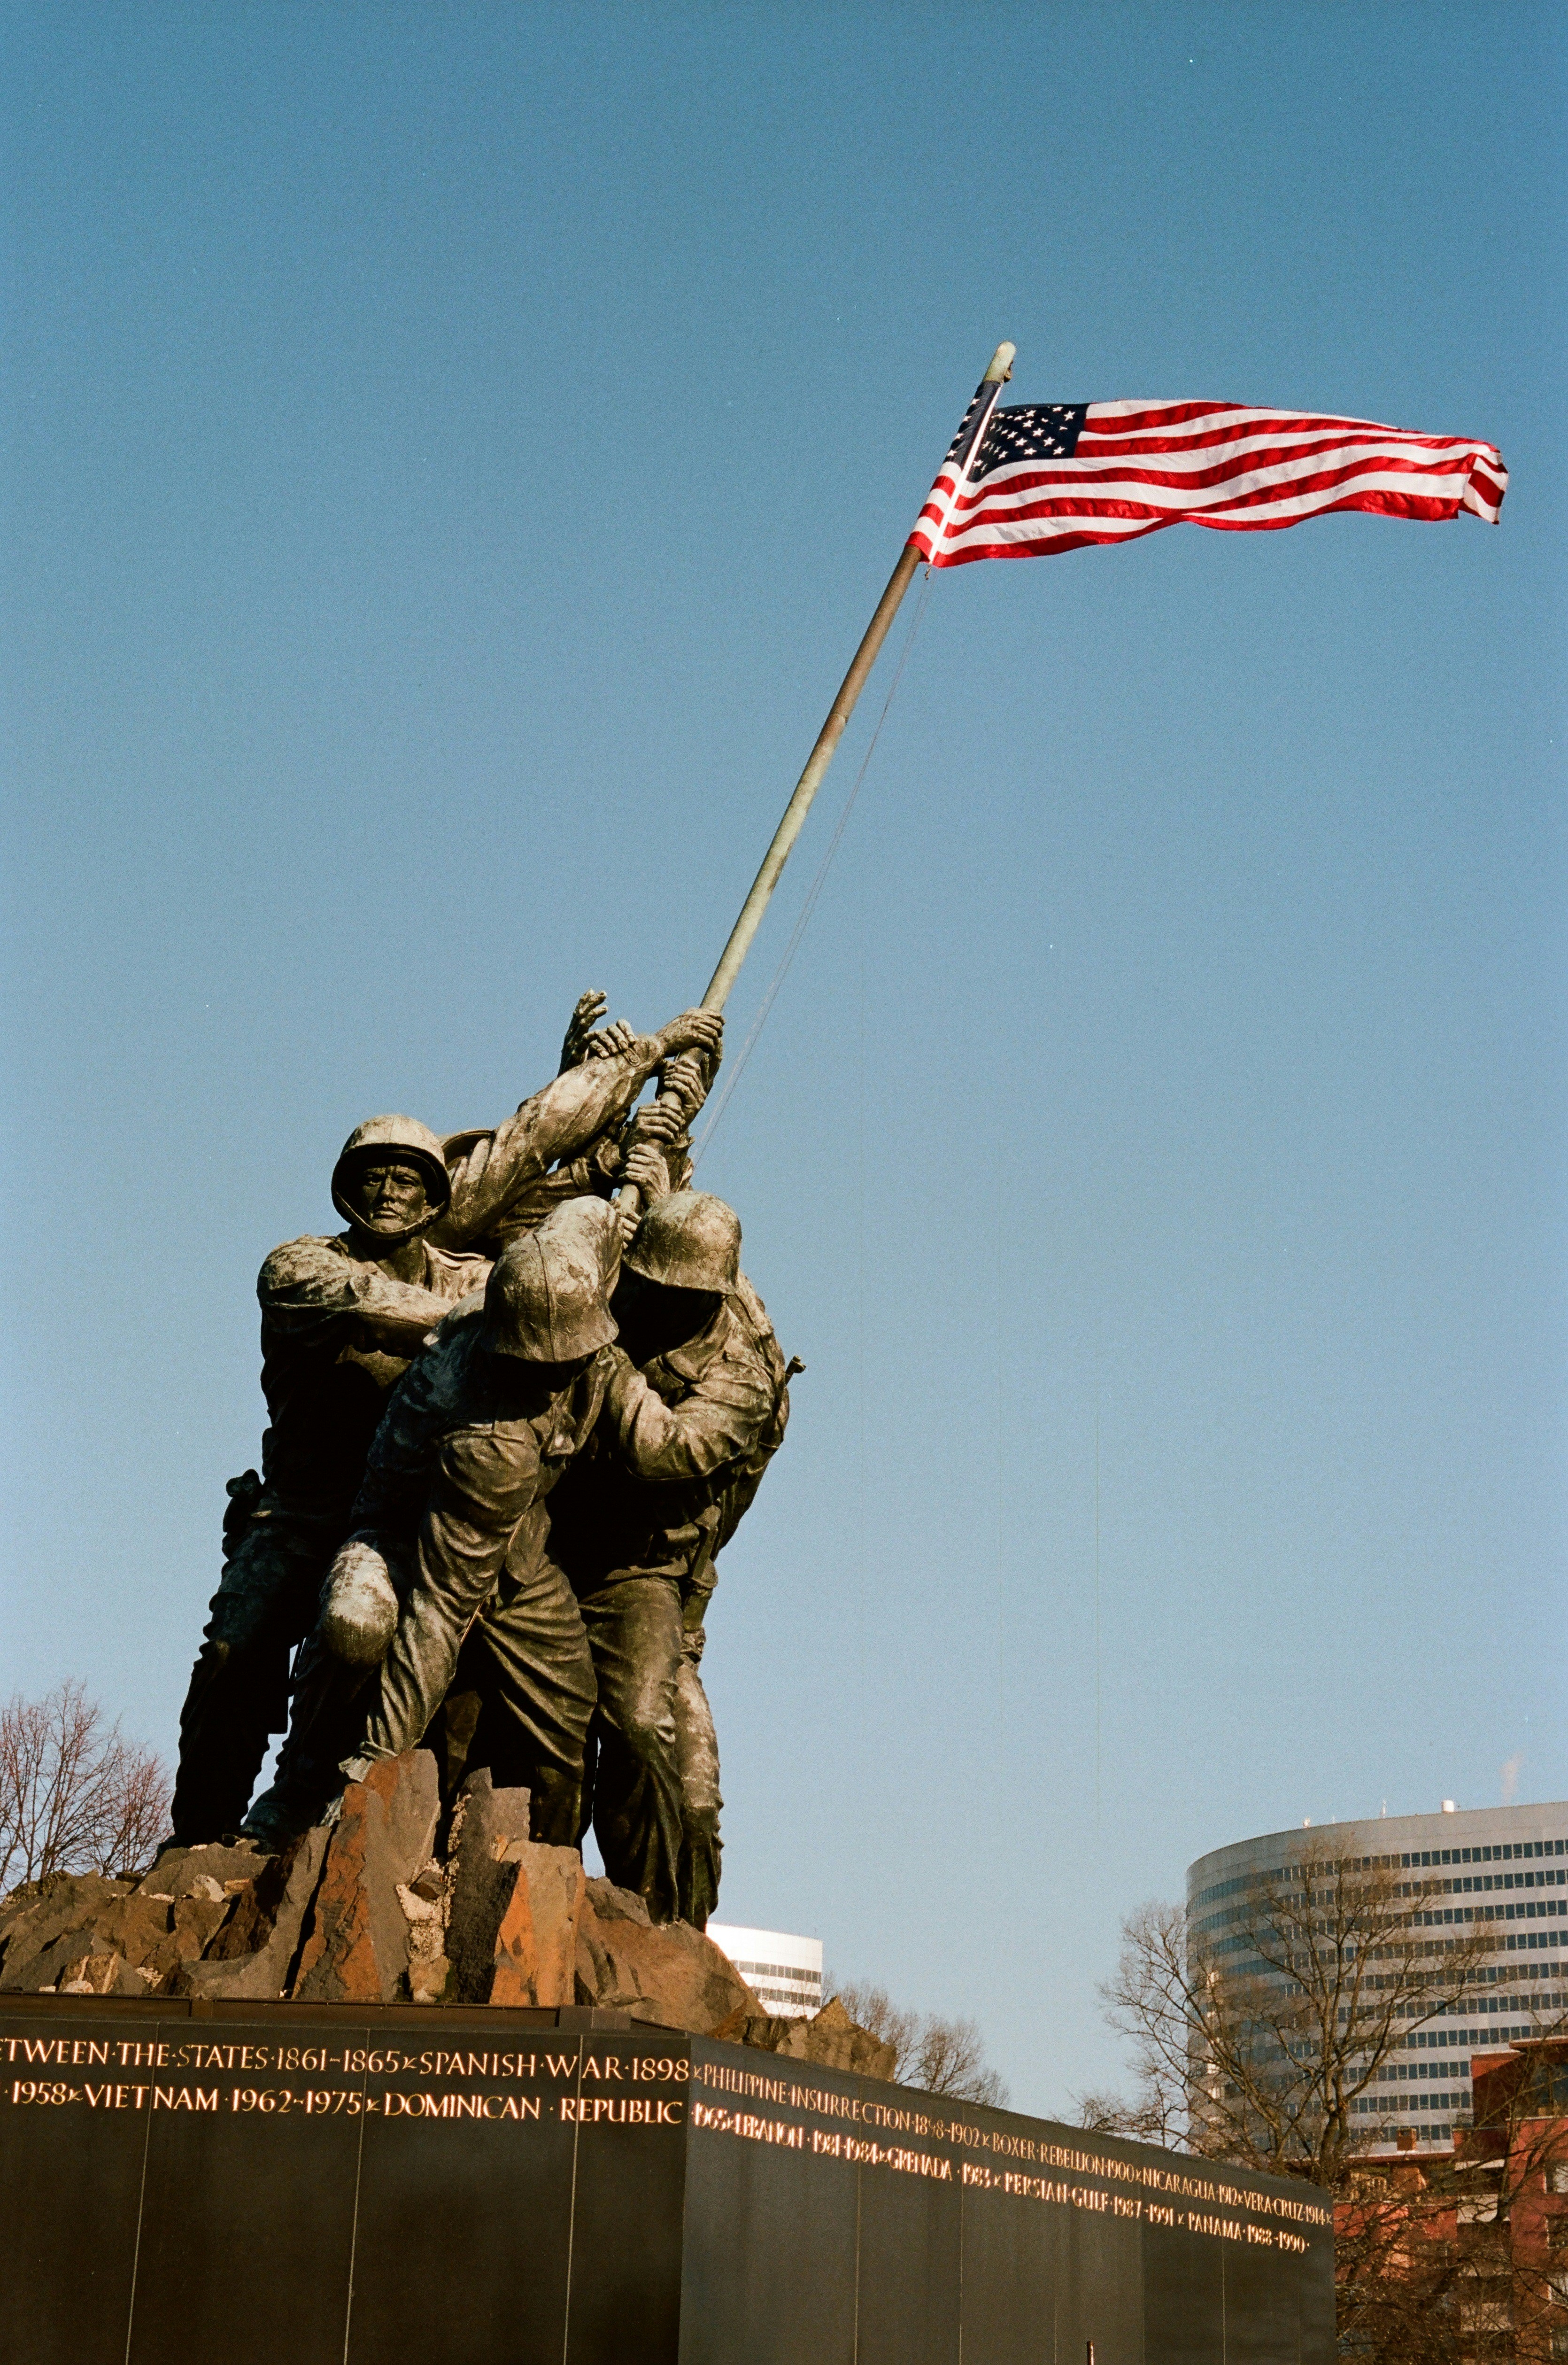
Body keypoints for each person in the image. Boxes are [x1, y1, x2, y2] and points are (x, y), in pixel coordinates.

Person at [166, 999, 723, 1845]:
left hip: (415, 1520)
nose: (389, 1194)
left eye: (408, 1180)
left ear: (436, 1197)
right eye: (374, 1178)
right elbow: (386, 1306)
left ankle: (315, 1796)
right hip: (306, 1513)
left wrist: (653, 1108)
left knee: (370, 1638)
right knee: (235, 1658)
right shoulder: (301, 1267)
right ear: (345, 1190)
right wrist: (493, 1310)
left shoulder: (472, 1271)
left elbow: (547, 1168)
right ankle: (202, 1837)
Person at [250, 1196, 626, 1847]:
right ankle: (305, 1785)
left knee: (565, 1727)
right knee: (357, 1625)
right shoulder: (486, 1433)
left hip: (521, 1557)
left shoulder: (562, 1266)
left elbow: (595, 1214)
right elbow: (437, 1616)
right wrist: (373, 1769)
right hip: (403, 1539)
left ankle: (552, 1883)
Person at [546, 1188, 795, 1926]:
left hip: (636, 1571)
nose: (657, 1301)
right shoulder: (609, 1289)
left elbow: (666, 1452)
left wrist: (603, 1356)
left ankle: (653, 1925)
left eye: (679, 1294)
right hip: (543, 1549)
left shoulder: (740, 1378)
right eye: (649, 1284)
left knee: (640, 1724)